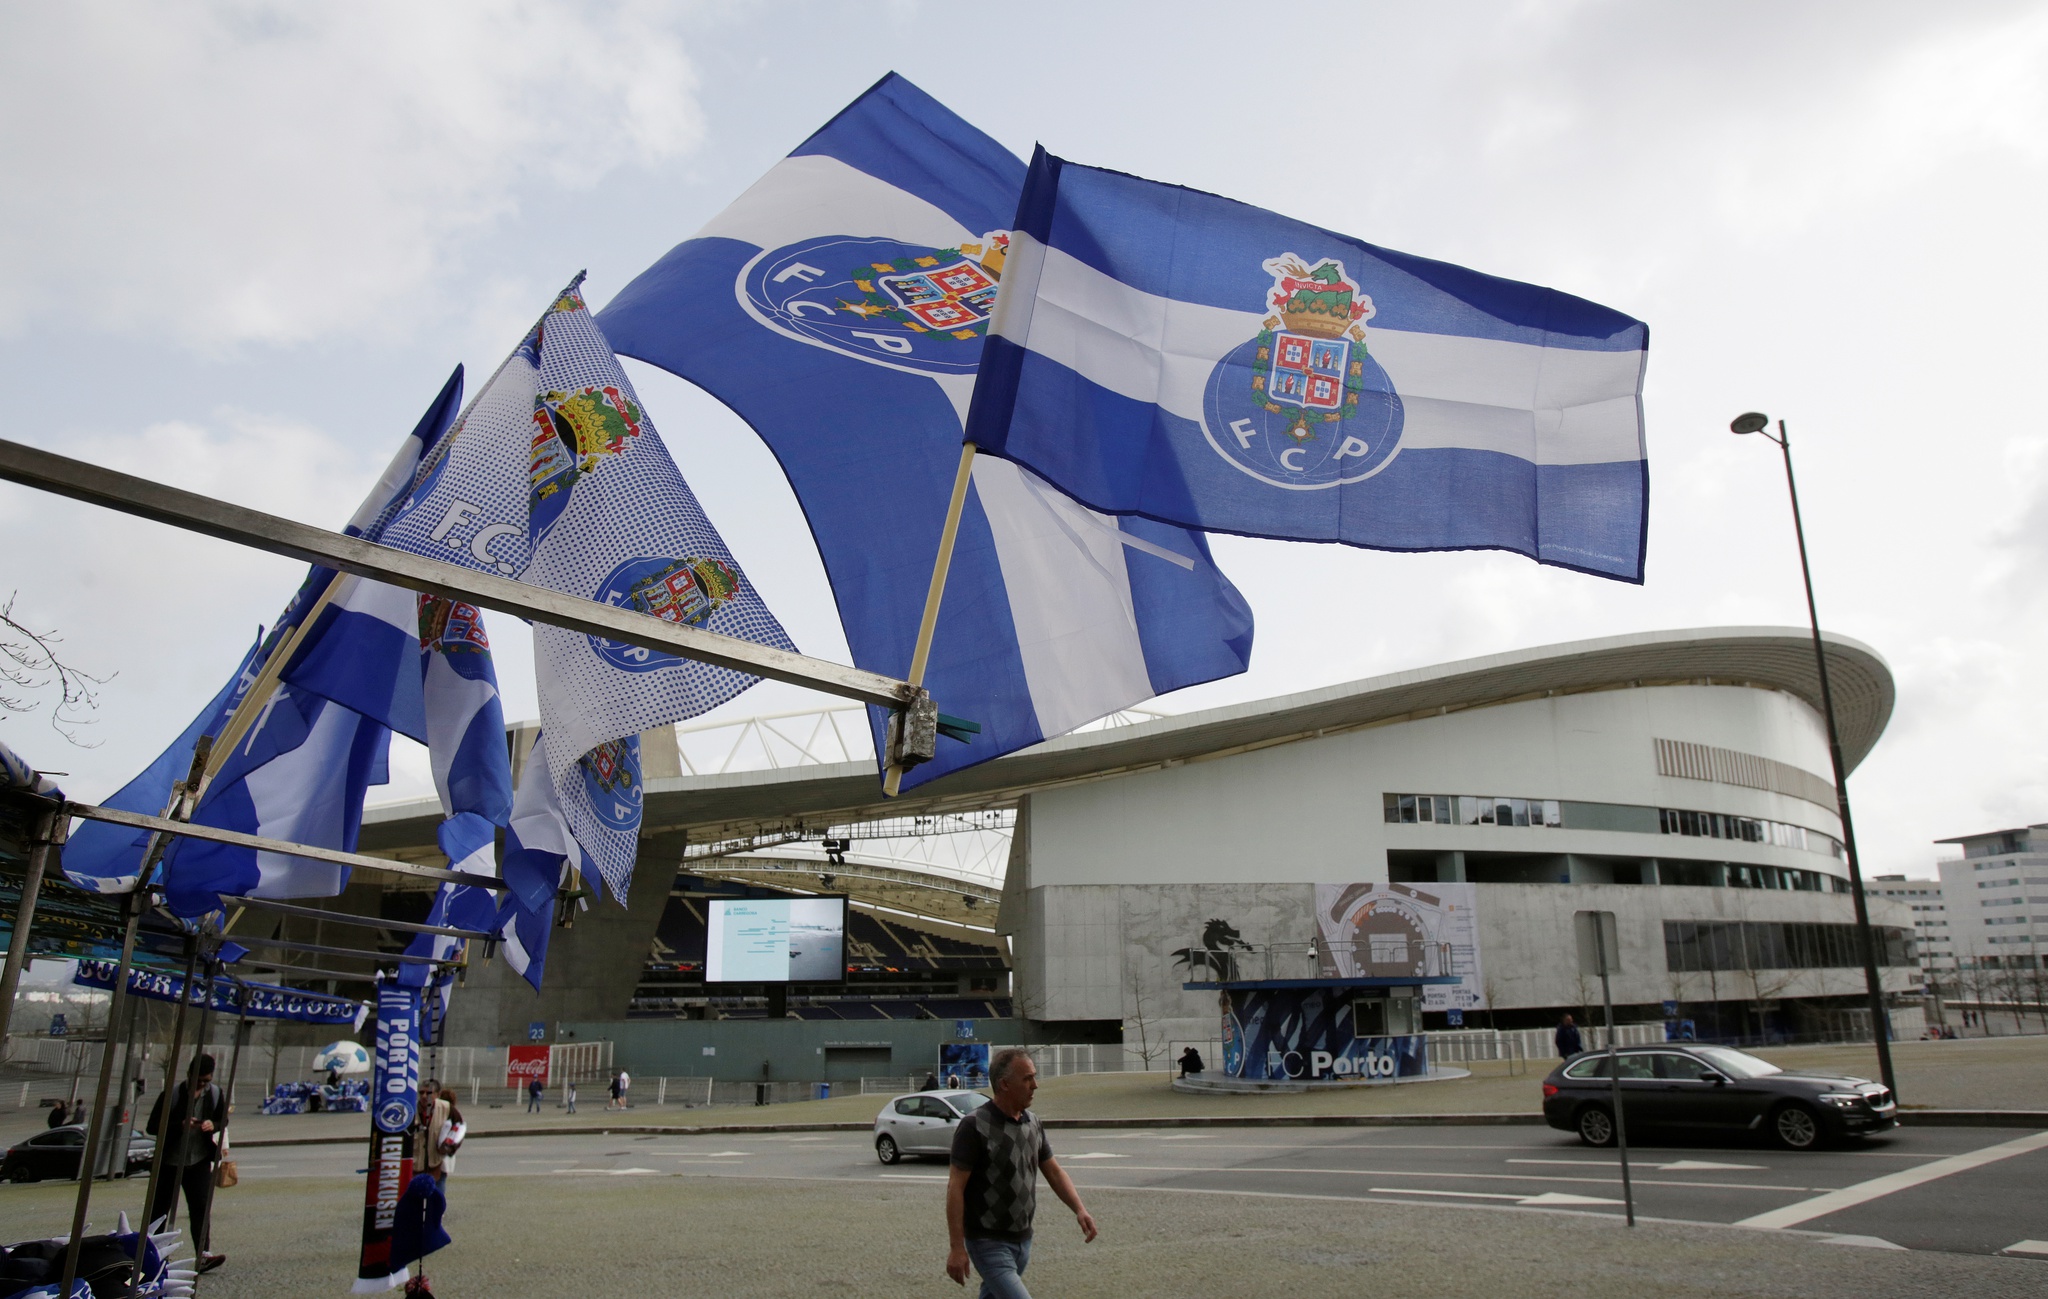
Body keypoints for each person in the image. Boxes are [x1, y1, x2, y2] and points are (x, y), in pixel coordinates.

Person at [946, 1047, 1096, 1298]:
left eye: (1034, 1077)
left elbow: (1055, 1172)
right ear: (1004, 1084)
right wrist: (956, 1247)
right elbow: (955, 1188)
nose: (1035, 1085)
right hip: (987, 1241)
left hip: (1023, 1240)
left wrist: (1080, 1209)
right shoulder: (974, 1126)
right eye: (1027, 1078)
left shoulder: (1033, 1123)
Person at [147, 1053, 228, 1274]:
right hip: (171, 1162)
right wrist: (179, 1125)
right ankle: (153, 1256)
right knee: (160, 1211)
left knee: (201, 1209)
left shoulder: (215, 1094)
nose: (202, 1084)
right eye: (198, 1079)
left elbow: (223, 1120)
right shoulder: (171, 1095)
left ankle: (203, 1254)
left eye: (206, 1080)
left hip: (199, 1161)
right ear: (189, 1075)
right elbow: (152, 1126)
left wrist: (213, 1124)